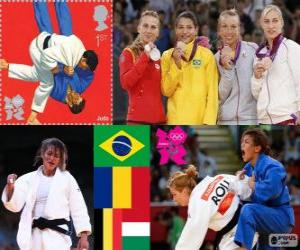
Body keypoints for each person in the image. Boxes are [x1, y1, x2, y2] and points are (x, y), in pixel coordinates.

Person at [0, 2, 98, 124]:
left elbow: (44, 74)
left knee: (45, 30)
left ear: (71, 104)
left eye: (77, 98)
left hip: (50, 54)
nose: (77, 94)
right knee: (67, 31)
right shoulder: (79, 88)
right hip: (66, 52)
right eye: (79, 95)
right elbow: (90, 75)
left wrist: (64, 70)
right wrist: (76, 66)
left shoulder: (56, 93)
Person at [1, 138, 91, 250]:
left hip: (58, 236)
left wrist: (83, 237)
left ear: (60, 159)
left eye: (57, 156)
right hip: (33, 236)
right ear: (42, 154)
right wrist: (10, 187)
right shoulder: (28, 179)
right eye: (49, 153)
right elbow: (14, 206)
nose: (52, 158)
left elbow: (78, 207)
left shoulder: (67, 179)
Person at [234, 128, 295, 249]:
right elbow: (245, 193)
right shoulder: (248, 168)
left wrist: (254, 185)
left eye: (246, 142)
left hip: (281, 217)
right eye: (241, 142)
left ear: (257, 148)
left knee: (248, 210)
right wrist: (239, 181)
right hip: (264, 218)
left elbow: (273, 190)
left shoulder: (274, 166)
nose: (242, 145)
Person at [168, 165, 253, 250]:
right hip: (251, 217)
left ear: (184, 190)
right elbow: (245, 185)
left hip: (237, 232)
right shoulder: (218, 178)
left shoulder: (198, 202)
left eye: (174, 194)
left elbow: (192, 233)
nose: (174, 199)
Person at [161, 11, 218, 125]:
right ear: (175, 30)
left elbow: (212, 92)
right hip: (175, 119)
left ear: (196, 30)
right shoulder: (167, 55)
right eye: (181, 27)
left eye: (189, 27)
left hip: (200, 118)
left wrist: (209, 121)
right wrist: (176, 64)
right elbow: (166, 91)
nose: (185, 31)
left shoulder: (207, 55)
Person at [251, 4, 300, 125]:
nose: (271, 26)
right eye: (266, 21)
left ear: (282, 23)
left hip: (286, 116)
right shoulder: (258, 54)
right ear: (261, 24)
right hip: (264, 118)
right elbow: (256, 94)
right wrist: (256, 77)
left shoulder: (292, 48)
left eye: (275, 21)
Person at [119, 10, 166, 124]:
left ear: (158, 32)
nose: (149, 30)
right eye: (145, 26)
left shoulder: (159, 57)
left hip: (159, 120)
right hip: (137, 120)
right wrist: (145, 56)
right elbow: (125, 83)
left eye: (153, 27)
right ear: (139, 28)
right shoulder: (128, 53)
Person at [215, 9, 257, 125]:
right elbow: (219, 97)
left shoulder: (253, 49)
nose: (229, 31)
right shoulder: (214, 59)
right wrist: (227, 69)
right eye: (224, 26)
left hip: (251, 118)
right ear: (219, 30)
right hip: (226, 120)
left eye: (233, 27)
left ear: (240, 29)